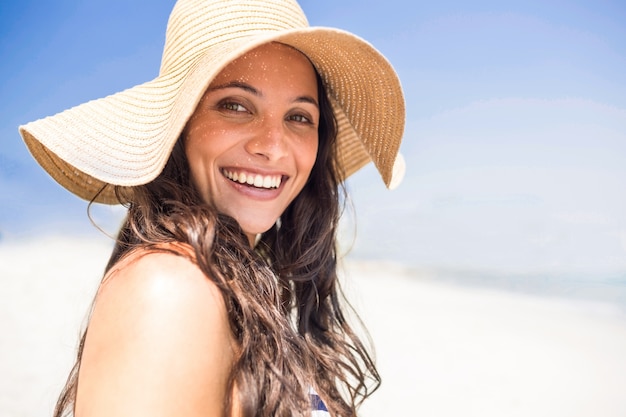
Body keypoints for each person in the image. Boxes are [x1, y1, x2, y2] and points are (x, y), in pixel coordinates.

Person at [19, 0, 405, 416]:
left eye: (298, 116)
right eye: (235, 106)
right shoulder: (170, 289)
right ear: (179, 128)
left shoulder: (234, 284)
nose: (272, 147)